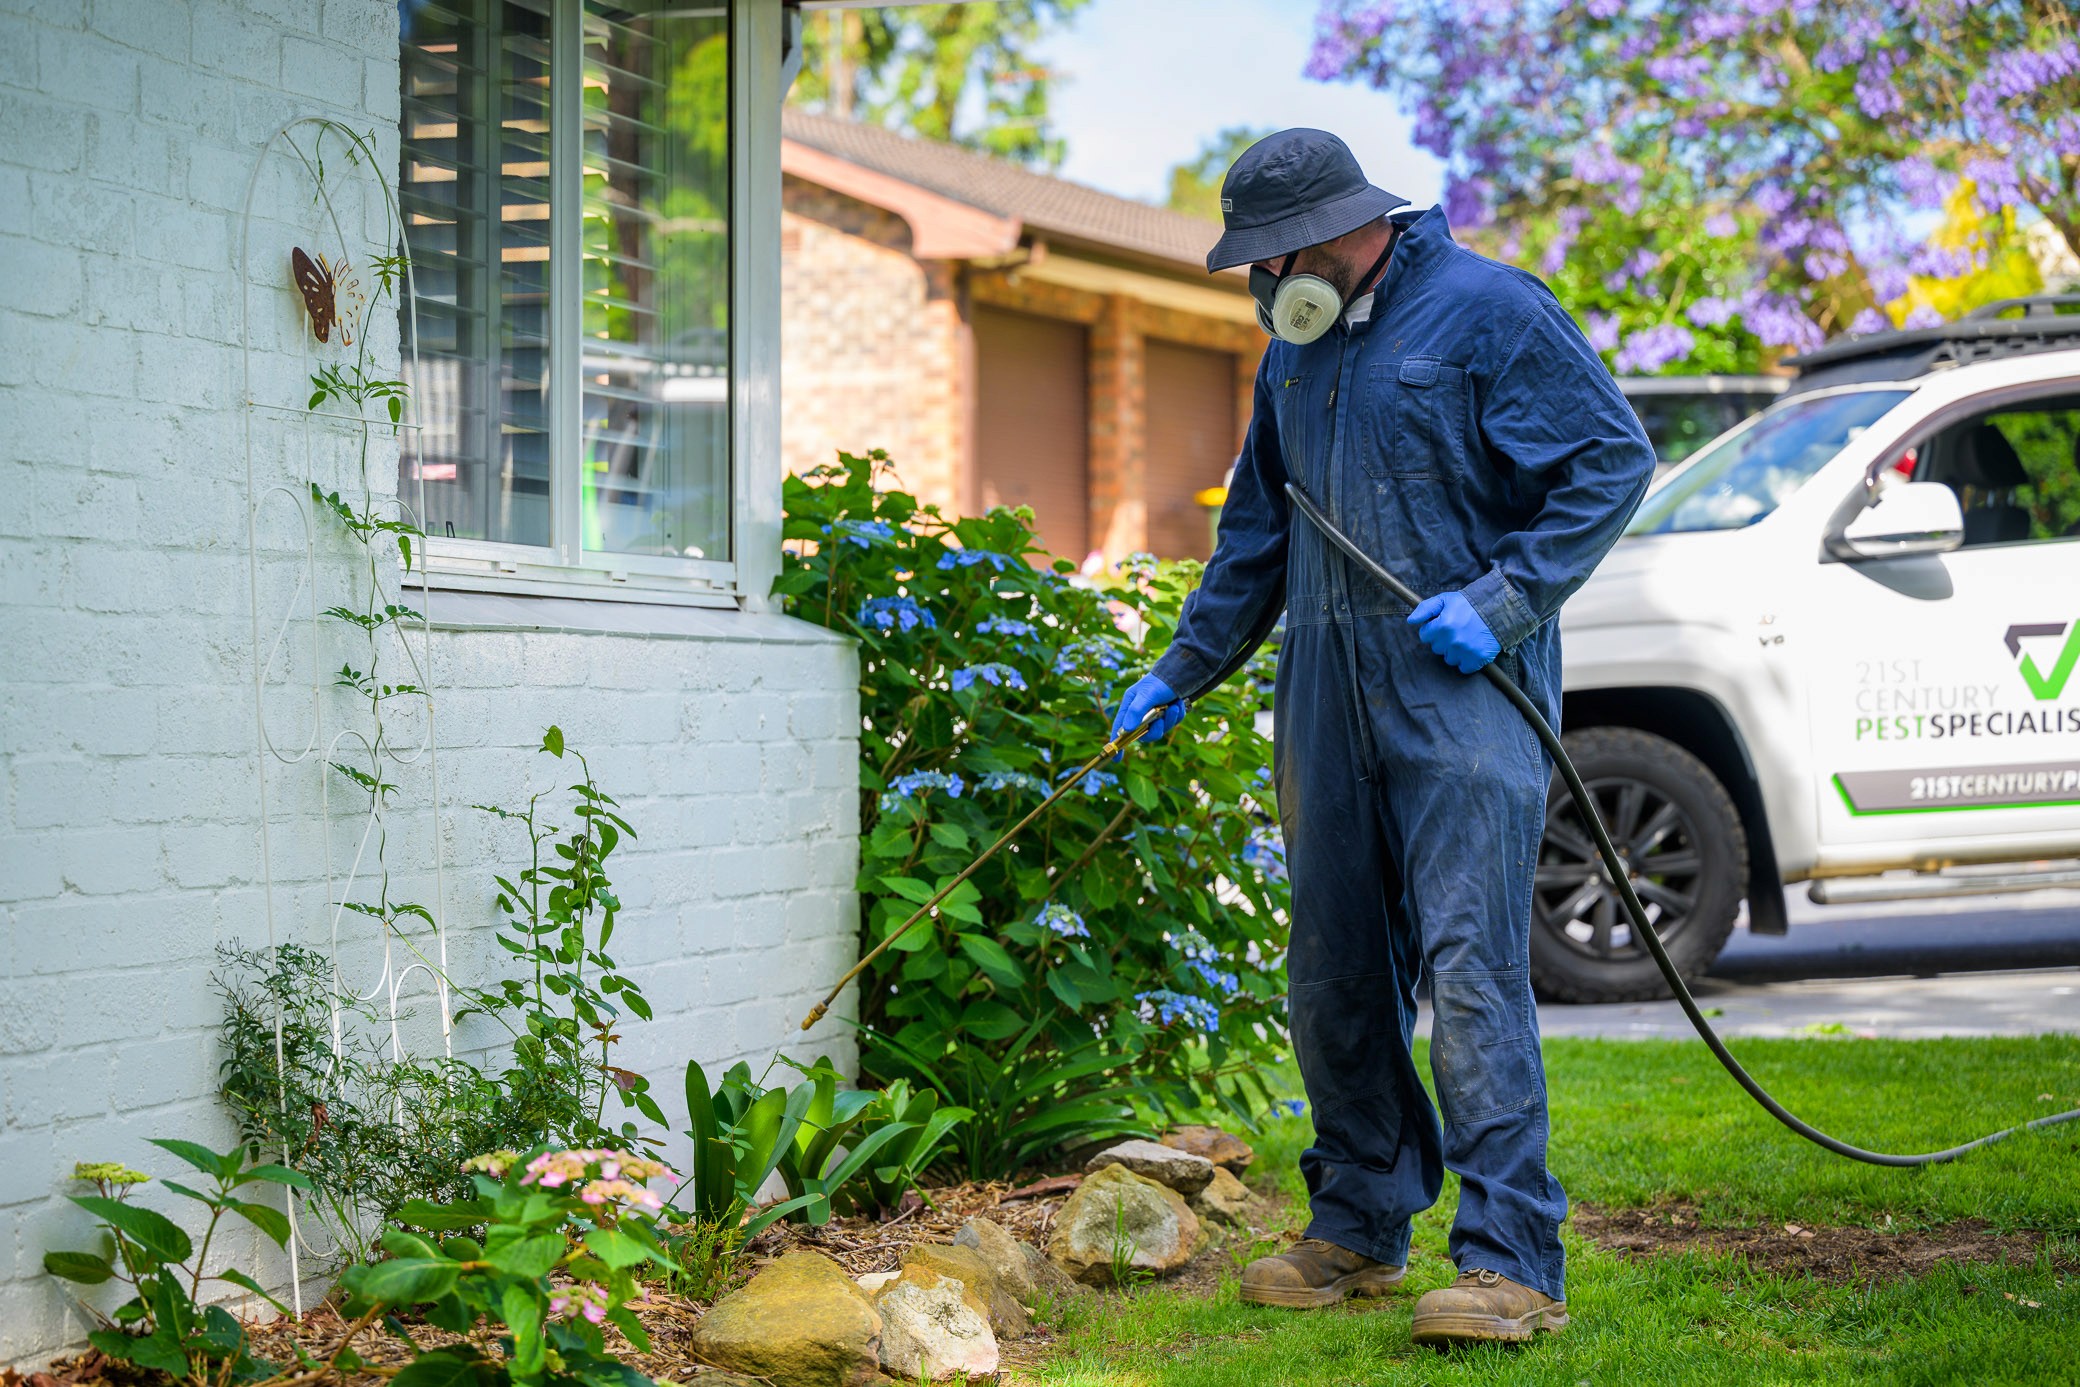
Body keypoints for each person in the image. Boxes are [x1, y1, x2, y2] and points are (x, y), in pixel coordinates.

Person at [1111, 129, 1655, 1347]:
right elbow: (1257, 533)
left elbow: (1611, 461)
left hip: (1460, 691)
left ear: (1345, 231)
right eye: (1251, 263)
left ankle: (1512, 1261)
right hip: (1323, 684)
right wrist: (1180, 670)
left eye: (1273, 256)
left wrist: (1507, 599)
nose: (1261, 282)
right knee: (1334, 974)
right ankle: (1357, 1223)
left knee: (1469, 973)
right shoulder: (1290, 357)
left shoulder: (1490, 312)